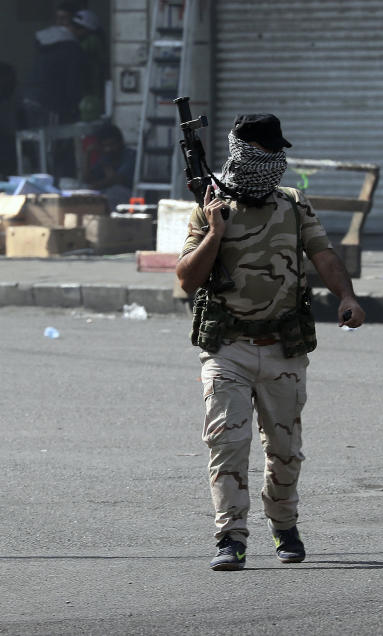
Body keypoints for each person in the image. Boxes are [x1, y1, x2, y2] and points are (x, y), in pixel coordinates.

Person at [176, 113, 366, 571]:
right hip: (228, 348)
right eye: (266, 151)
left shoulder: (294, 204)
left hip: (283, 346)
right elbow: (186, 279)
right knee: (227, 443)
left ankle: (283, 524)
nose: (275, 160)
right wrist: (216, 234)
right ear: (244, 152)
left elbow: (323, 254)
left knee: (284, 450)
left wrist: (347, 296)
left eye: (279, 152)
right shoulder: (210, 206)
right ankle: (230, 536)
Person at [83, 124, 136, 209]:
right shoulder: (106, 156)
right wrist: (88, 155)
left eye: (112, 145)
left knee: (113, 191)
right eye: (105, 146)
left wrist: (95, 186)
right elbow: (87, 179)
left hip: (129, 197)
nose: (109, 149)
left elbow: (115, 180)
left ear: (120, 142)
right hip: (109, 193)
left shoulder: (130, 155)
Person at [68, 9, 107, 122]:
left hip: (91, 93)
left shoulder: (92, 41)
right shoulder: (82, 42)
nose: (73, 30)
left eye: (78, 27)